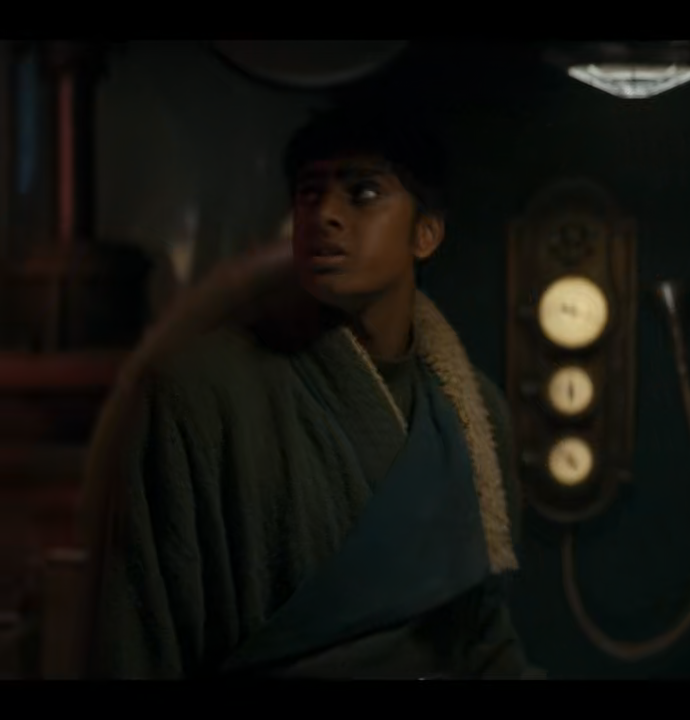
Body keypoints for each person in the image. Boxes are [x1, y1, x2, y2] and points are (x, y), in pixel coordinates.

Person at [74, 104, 540, 679]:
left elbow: (483, 637)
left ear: (426, 233)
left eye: (363, 194)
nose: (325, 216)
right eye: (309, 195)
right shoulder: (200, 392)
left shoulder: (473, 415)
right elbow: (140, 637)